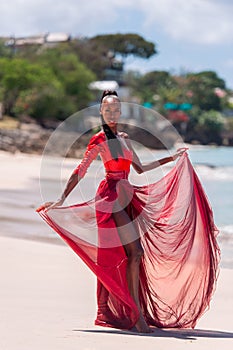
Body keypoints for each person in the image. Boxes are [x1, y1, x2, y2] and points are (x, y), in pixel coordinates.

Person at [37, 90, 220, 333]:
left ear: (120, 112)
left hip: (127, 195)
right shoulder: (99, 140)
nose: (111, 112)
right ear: (101, 111)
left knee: (127, 257)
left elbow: (141, 169)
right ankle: (136, 317)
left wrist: (170, 158)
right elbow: (81, 170)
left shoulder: (124, 138)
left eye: (115, 109)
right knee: (135, 253)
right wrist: (61, 198)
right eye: (107, 108)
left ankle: (122, 312)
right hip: (109, 198)